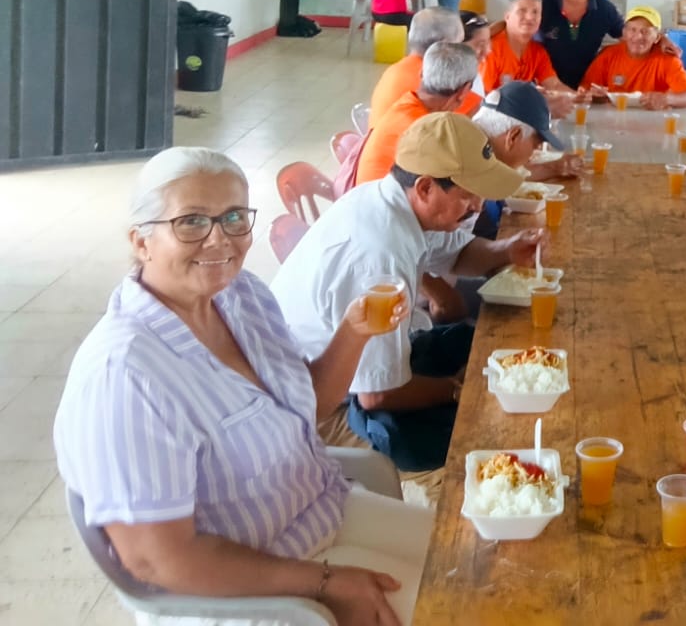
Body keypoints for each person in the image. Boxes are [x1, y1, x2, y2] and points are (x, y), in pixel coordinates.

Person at [55, 148, 433, 625]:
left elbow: (308, 403)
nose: (220, 239)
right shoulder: (125, 375)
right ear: (142, 241)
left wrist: (354, 331)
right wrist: (326, 583)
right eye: (191, 221)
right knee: (468, 607)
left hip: (322, 512)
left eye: (234, 217)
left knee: (481, 561)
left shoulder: (241, 296)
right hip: (251, 589)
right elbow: (157, 560)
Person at [273, 114, 541, 473]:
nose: (477, 206)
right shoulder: (378, 256)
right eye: (468, 195)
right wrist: (459, 388)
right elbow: (377, 395)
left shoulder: (394, 200)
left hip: (370, 375)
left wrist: (507, 250)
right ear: (426, 187)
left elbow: (459, 253)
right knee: (483, 439)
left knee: (485, 347)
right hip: (322, 411)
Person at [469, 82, 580, 240]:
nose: (533, 155)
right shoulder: (465, 185)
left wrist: (556, 167)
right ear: (513, 137)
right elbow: (457, 250)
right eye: (535, 145)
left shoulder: (480, 154)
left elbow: (513, 177)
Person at [356, 43, 478, 186]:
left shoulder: (406, 104)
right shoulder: (427, 132)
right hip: (389, 198)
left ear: (421, 74)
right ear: (464, 91)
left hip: (370, 193)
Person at [581, 6, 686, 109]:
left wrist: (666, 99)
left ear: (657, 38)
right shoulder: (608, 55)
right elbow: (585, 90)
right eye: (633, 30)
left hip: (651, 119)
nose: (638, 37)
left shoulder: (668, 60)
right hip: (613, 118)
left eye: (645, 31)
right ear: (624, 33)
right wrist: (596, 96)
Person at [369, 8, 471, 123]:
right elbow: (465, 122)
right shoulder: (435, 78)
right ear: (445, 45)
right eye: (459, 43)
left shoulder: (396, 69)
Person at [479, 0, 563, 96]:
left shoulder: (538, 52)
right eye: (522, 11)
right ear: (507, 16)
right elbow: (481, 96)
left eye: (535, 12)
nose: (530, 17)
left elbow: (554, 85)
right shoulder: (490, 50)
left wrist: (576, 97)